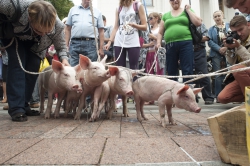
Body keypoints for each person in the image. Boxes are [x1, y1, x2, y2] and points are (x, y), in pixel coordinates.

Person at [0, 1, 70, 122]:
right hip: (15, 37)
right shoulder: (13, 6)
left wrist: (64, 59)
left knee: (33, 68)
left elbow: (61, 46)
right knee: (18, 66)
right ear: (29, 18)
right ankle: (17, 109)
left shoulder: (58, 26)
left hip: (38, 45)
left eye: (47, 32)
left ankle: (24, 104)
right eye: (39, 31)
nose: (43, 34)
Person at [156, 0, 202, 83]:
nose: (175, 1)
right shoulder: (165, 15)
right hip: (170, 45)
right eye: (172, 0)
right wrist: (158, 43)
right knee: (171, 70)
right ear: (169, 2)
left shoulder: (187, 11)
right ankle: (173, 92)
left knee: (187, 69)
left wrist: (188, 10)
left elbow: (198, 22)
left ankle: (188, 91)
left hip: (186, 43)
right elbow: (160, 32)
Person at [104, 0, 147, 70]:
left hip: (133, 40)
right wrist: (109, 42)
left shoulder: (137, 5)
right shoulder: (119, 8)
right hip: (119, 40)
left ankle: (133, 81)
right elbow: (116, 27)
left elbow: (145, 26)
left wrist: (134, 25)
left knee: (134, 69)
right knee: (120, 68)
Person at [218, 15, 250, 103]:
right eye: (235, 32)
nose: (239, 34)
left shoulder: (238, 44)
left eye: (241, 29)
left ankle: (249, 101)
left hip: (242, 71)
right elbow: (231, 62)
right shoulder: (237, 41)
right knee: (222, 98)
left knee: (236, 69)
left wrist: (239, 47)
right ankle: (247, 96)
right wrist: (229, 49)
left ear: (248, 25)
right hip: (243, 76)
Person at [65, 0, 104, 66]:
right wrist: (66, 45)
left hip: (91, 44)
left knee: (91, 69)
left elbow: (101, 31)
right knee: (74, 68)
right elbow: (68, 29)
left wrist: (101, 49)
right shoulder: (73, 10)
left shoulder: (97, 12)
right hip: (75, 43)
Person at [208, 10, 230, 103]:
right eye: (215, 16)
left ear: (222, 15)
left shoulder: (229, 26)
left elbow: (234, 37)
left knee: (229, 74)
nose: (217, 18)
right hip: (216, 54)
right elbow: (209, 41)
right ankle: (218, 96)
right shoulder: (211, 29)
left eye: (218, 16)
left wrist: (225, 47)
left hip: (229, 53)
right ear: (213, 18)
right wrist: (219, 49)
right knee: (218, 75)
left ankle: (228, 96)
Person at [193, 23, 214, 105]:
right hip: (186, 51)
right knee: (188, 74)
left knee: (203, 73)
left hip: (199, 50)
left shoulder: (199, 24)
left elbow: (207, 37)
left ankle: (208, 96)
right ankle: (192, 97)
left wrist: (195, 38)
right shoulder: (182, 25)